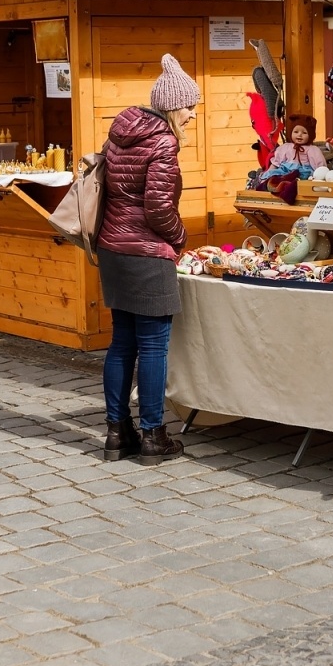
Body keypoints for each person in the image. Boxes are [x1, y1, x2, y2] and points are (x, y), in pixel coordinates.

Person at [97, 52, 197, 465]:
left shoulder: (117, 135)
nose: (193, 115)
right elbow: (157, 209)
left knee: (122, 343)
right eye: (190, 106)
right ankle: (154, 437)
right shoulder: (163, 142)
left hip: (113, 249)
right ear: (173, 105)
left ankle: (118, 434)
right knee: (154, 347)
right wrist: (181, 238)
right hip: (147, 254)